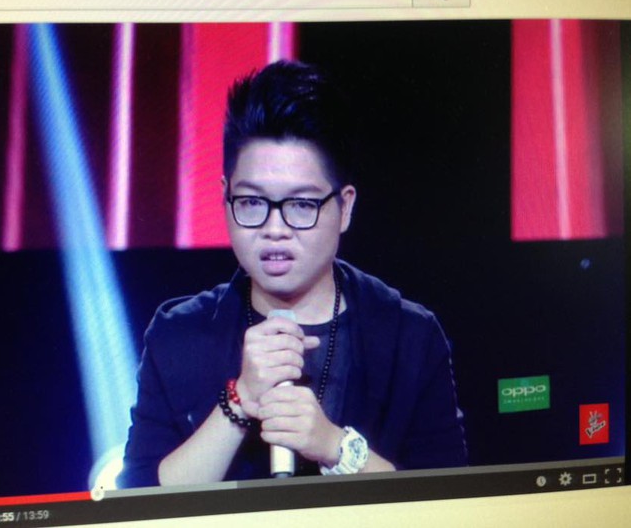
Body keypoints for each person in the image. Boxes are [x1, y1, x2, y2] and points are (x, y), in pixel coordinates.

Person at [118, 60, 466, 487]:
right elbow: (138, 498)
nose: (275, 229)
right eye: (252, 202)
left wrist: (336, 446)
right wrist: (240, 400)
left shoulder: (409, 337)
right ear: (225, 198)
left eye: (301, 205)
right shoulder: (178, 335)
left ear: (345, 207)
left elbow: (451, 497)